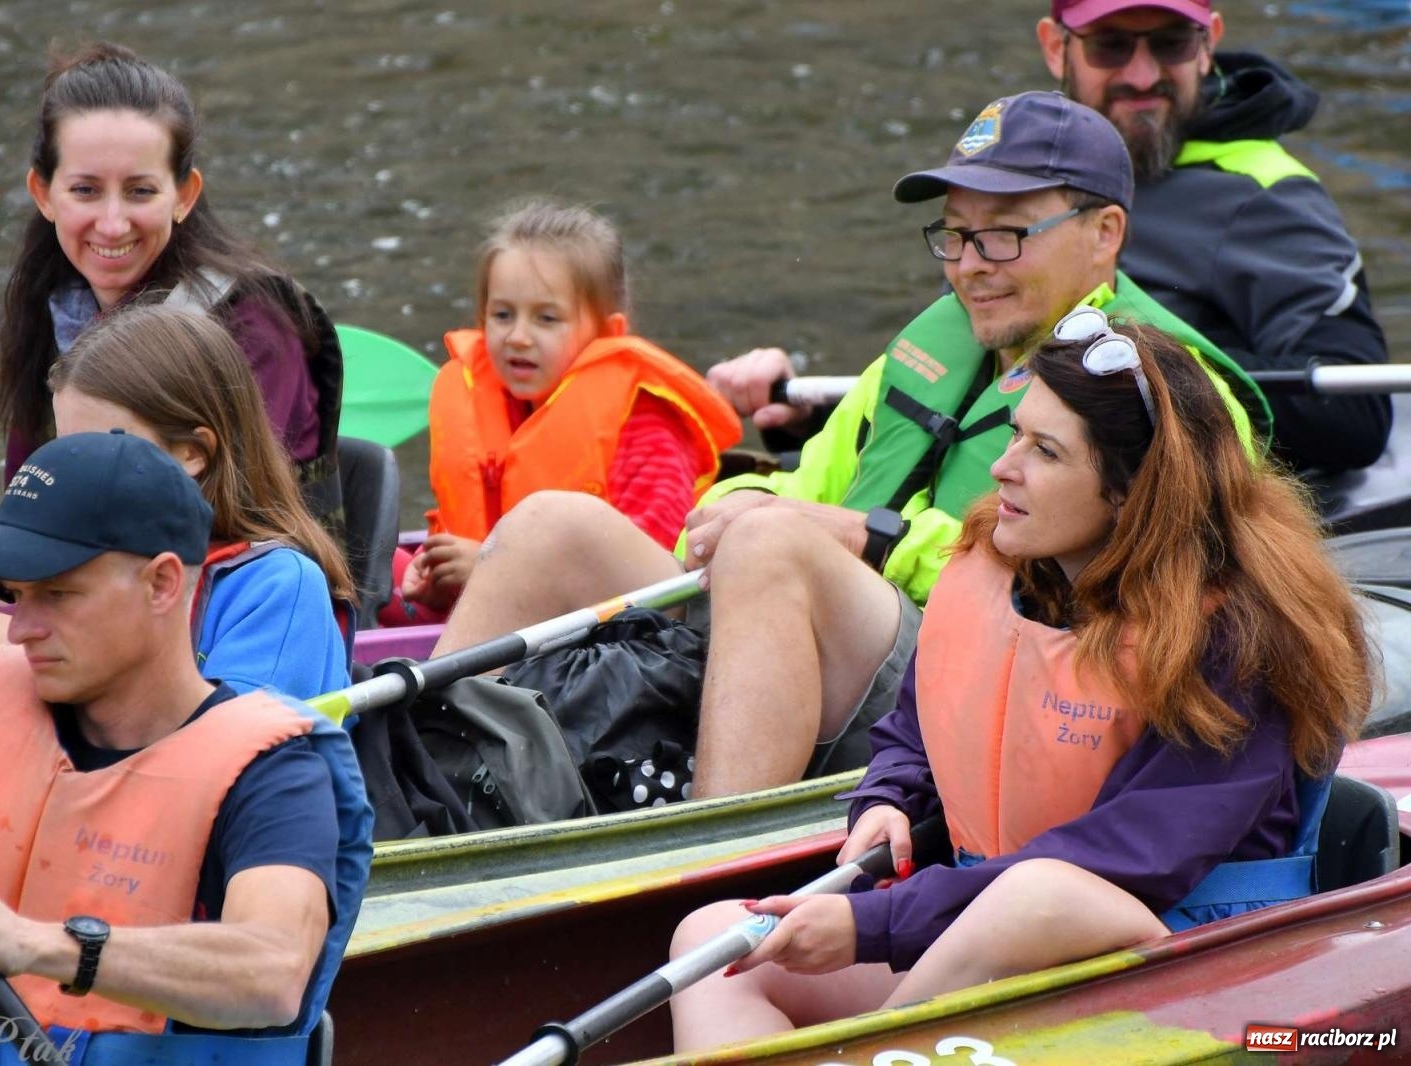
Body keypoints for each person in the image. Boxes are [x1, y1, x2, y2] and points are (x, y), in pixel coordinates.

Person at [427, 91, 1264, 798]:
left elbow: (1144, 596)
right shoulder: (939, 344)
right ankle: (413, 775)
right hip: (834, 632)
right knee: (551, 525)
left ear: (1105, 232)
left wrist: (872, 540)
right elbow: (806, 481)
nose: (971, 265)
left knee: (774, 548)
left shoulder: (1167, 388)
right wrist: (739, 502)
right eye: (956, 235)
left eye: (1005, 234)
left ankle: (704, 857)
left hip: (1000, 688)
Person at [666, 319, 1372, 1050]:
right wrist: (891, 794)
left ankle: (875, 1047)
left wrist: (872, 924)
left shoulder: (1238, 643)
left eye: (1045, 452)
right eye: (1014, 435)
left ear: (1130, 493)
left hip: (1188, 960)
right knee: (711, 940)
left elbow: (1122, 862)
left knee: (1041, 896)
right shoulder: (999, 566)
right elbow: (918, 720)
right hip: (989, 925)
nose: (1003, 468)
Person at [0, 431, 372, 1063]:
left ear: (162, 584)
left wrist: (35, 944)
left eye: (57, 595)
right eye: (17, 596)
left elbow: (271, 972)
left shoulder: (273, 772)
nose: (20, 629)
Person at [0, 40, 345, 649]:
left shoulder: (253, 327)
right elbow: (32, 519)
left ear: (185, 195)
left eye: (140, 191)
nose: (112, 224)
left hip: (213, 628)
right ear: (43, 193)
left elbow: (216, 542)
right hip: (77, 600)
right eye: (86, 190)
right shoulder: (57, 315)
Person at [0, 304, 352, 898]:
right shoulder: (82, 566)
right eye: (68, 446)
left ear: (192, 453)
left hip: (164, 860)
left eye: (103, 445)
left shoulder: (279, 584)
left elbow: (220, 769)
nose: (76, 471)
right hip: (60, 818)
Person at [1035, 0, 1391, 474]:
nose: (1142, 75)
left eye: (1171, 44)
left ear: (1208, 46)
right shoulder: (1018, 175)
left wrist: (1153, 368)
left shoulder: (1263, 195)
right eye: (1111, 46)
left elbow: (1356, 412)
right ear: (1057, 48)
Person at [389, 198, 742, 620]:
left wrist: (489, 567)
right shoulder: (493, 403)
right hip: (493, 613)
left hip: (611, 641)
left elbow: (655, 586)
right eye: (502, 315)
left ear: (606, 333)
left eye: (546, 319)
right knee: (364, 565)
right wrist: (437, 579)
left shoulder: (646, 422)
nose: (518, 336)